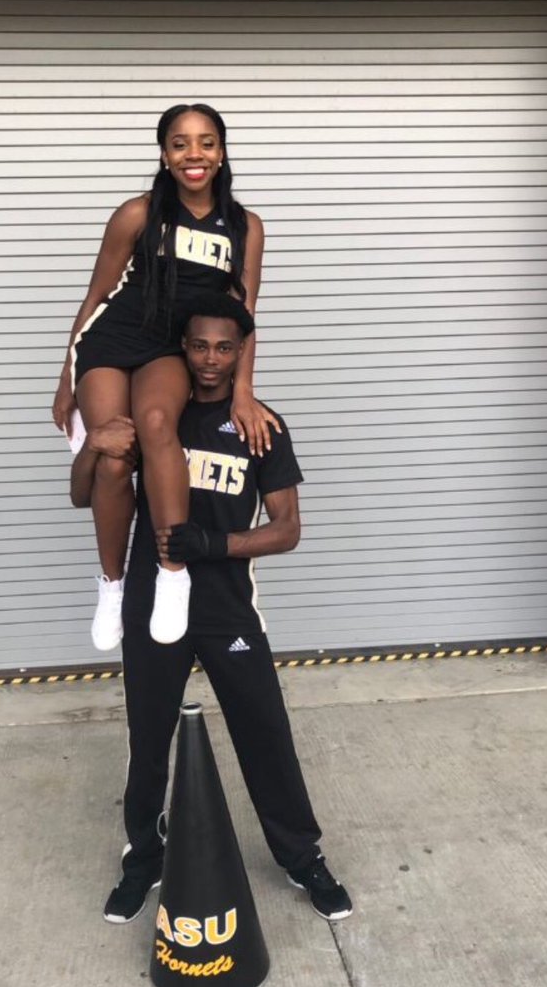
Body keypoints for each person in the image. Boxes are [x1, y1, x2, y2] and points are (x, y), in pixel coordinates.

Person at [70, 291, 353, 924]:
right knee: (148, 742)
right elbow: (83, 496)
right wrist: (94, 441)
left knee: (265, 733)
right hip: (153, 600)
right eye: (198, 345)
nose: (209, 360)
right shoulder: (154, 415)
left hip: (226, 607)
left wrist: (216, 544)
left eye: (224, 347)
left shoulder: (260, 425)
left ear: (240, 351)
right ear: (182, 346)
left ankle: (302, 858)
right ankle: (142, 857)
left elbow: (287, 530)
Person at [52, 103, 278, 651]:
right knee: (112, 452)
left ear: (221, 152)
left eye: (205, 142)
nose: (193, 154)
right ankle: (112, 584)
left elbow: (244, 312)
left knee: (155, 423)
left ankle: (172, 572)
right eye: (180, 143)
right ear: (164, 153)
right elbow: (97, 295)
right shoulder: (138, 212)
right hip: (113, 339)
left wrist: (243, 390)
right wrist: (66, 377)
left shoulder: (245, 226)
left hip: (171, 344)